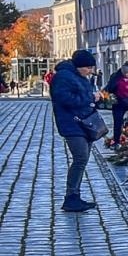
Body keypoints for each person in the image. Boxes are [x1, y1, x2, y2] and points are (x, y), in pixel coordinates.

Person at [51, 49, 102, 213]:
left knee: (83, 159)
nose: (91, 71)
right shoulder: (63, 77)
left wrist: (96, 100)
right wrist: (89, 99)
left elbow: (85, 96)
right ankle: (71, 197)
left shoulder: (80, 77)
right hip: (71, 124)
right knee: (80, 158)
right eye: (88, 68)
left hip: (84, 123)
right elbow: (64, 99)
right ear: (79, 66)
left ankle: (74, 195)